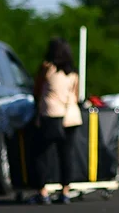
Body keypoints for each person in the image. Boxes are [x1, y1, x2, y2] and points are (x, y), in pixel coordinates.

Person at [29, 38, 83, 205]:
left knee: (41, 154)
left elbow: (36, 90)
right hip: (71, 117)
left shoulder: (46, 68)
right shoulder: (73, 72)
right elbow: (77, 95)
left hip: (50, 115)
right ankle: (65, 192)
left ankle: (43, 192)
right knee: (66, 155)